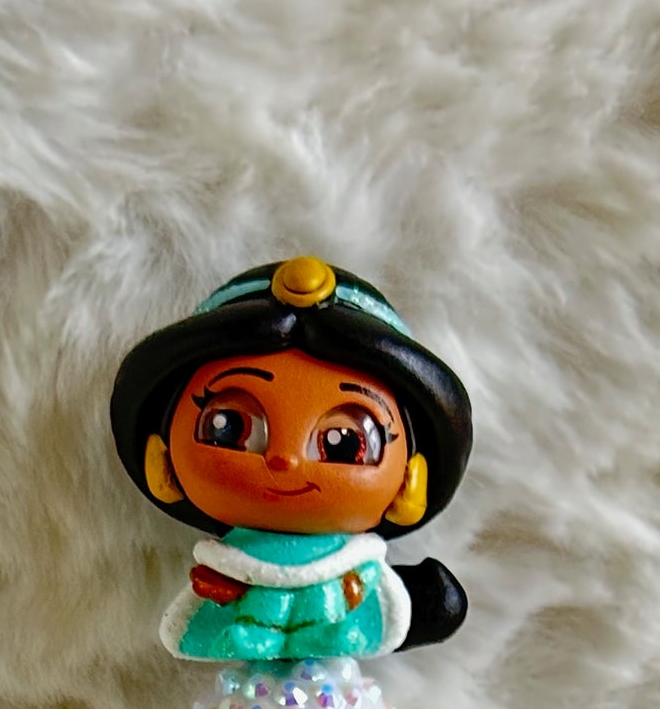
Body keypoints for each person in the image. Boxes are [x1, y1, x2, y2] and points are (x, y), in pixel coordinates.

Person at [110, 257, 473, 662]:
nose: (286, 460)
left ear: (412, 474)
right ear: (161, 457)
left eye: (344, 443)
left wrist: (422, 604)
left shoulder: (357, 572)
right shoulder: (225, 569)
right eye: (230, 427)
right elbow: (198, 629)